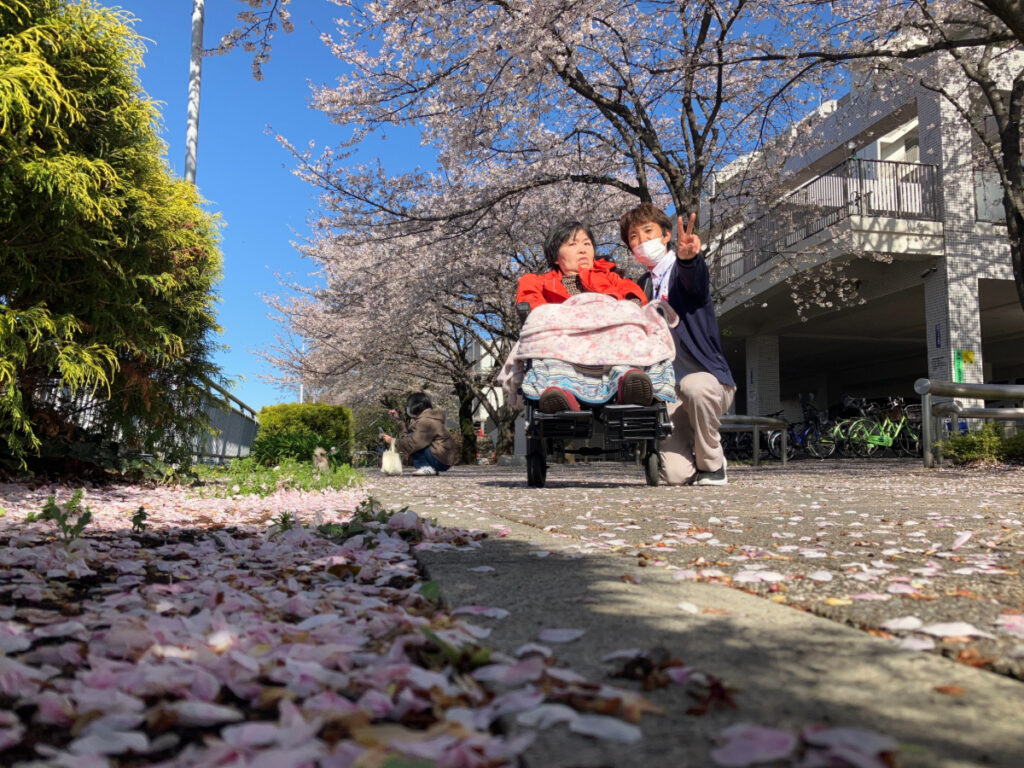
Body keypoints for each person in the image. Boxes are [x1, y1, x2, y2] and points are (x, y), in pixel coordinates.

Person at [620, 202, 736, 486]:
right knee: (673, 476)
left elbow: (694, 284)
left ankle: (712, 464)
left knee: (694, 386)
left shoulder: (680, 269)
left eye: (648, 232)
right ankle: (696, 450)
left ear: (666, 235)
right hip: (669, 388)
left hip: (707, 382)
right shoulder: (644, 285)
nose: (642, 241)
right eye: (633, 237)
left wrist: (689, 260)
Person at [513, 221, 672, 413]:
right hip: (566, 338)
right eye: (572, 244)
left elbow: (631, 293)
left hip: (611, 335)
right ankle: (563, 394)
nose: (582, 250)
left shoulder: (611, 277)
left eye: (587, 244)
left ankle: (628, 384)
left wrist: (627, 307)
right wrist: (571, 318)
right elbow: (531, 304)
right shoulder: (538, 282)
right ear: (555, 256)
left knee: (630, 325)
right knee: (548, 344)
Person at [383, 392, 459, 476]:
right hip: (441, 459)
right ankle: (430, 468)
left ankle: (426, 467)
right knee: (412, 437)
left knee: (413, 438)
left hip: (440, 460)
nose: (408, 408)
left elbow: (412, 443)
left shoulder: (426, 422)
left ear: (416, 406)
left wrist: (392, 441)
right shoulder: (426, 419)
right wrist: (398, 420)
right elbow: (408, 439)